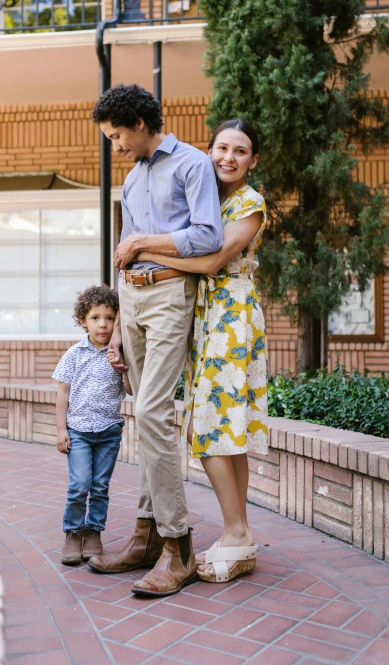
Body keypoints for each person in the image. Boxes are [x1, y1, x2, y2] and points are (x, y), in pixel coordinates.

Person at [87, 83, 223, 597]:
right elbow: (123, 258)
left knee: (152, 412)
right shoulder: (132, 177)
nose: (115, 145)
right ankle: (146, 537)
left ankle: (178, 547)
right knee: (142, 413)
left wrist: (144, 240)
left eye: (117, 135)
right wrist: (117, 326)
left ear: (140, 125)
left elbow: (208, 236)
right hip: (135, 299)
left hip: (170, 297)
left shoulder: (191, 165)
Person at [135, 118, 268, 584]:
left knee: (210, 427)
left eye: (240, 151)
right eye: (222, 148)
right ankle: (240, 532)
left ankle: (235, 532)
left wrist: (151, 256)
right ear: (209, 151)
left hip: (231, 318)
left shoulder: (250, 203)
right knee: (225, 425)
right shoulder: (208, 197)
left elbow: (213, 260)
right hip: (204, 316)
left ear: (253, 160)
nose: (228, 158)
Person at [53, 285, 131, 567]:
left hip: (109, 431)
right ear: (83, 320)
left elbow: (130, 389)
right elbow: (63, 392)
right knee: (79, 485)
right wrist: (61, 429)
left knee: (99, 486)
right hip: (79, 432)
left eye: (110, 318)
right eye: (96, 317)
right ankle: (73, 533)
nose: (103, 324)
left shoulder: (121, 353)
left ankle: (94, 532)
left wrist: (120, 366)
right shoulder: (75, 354)